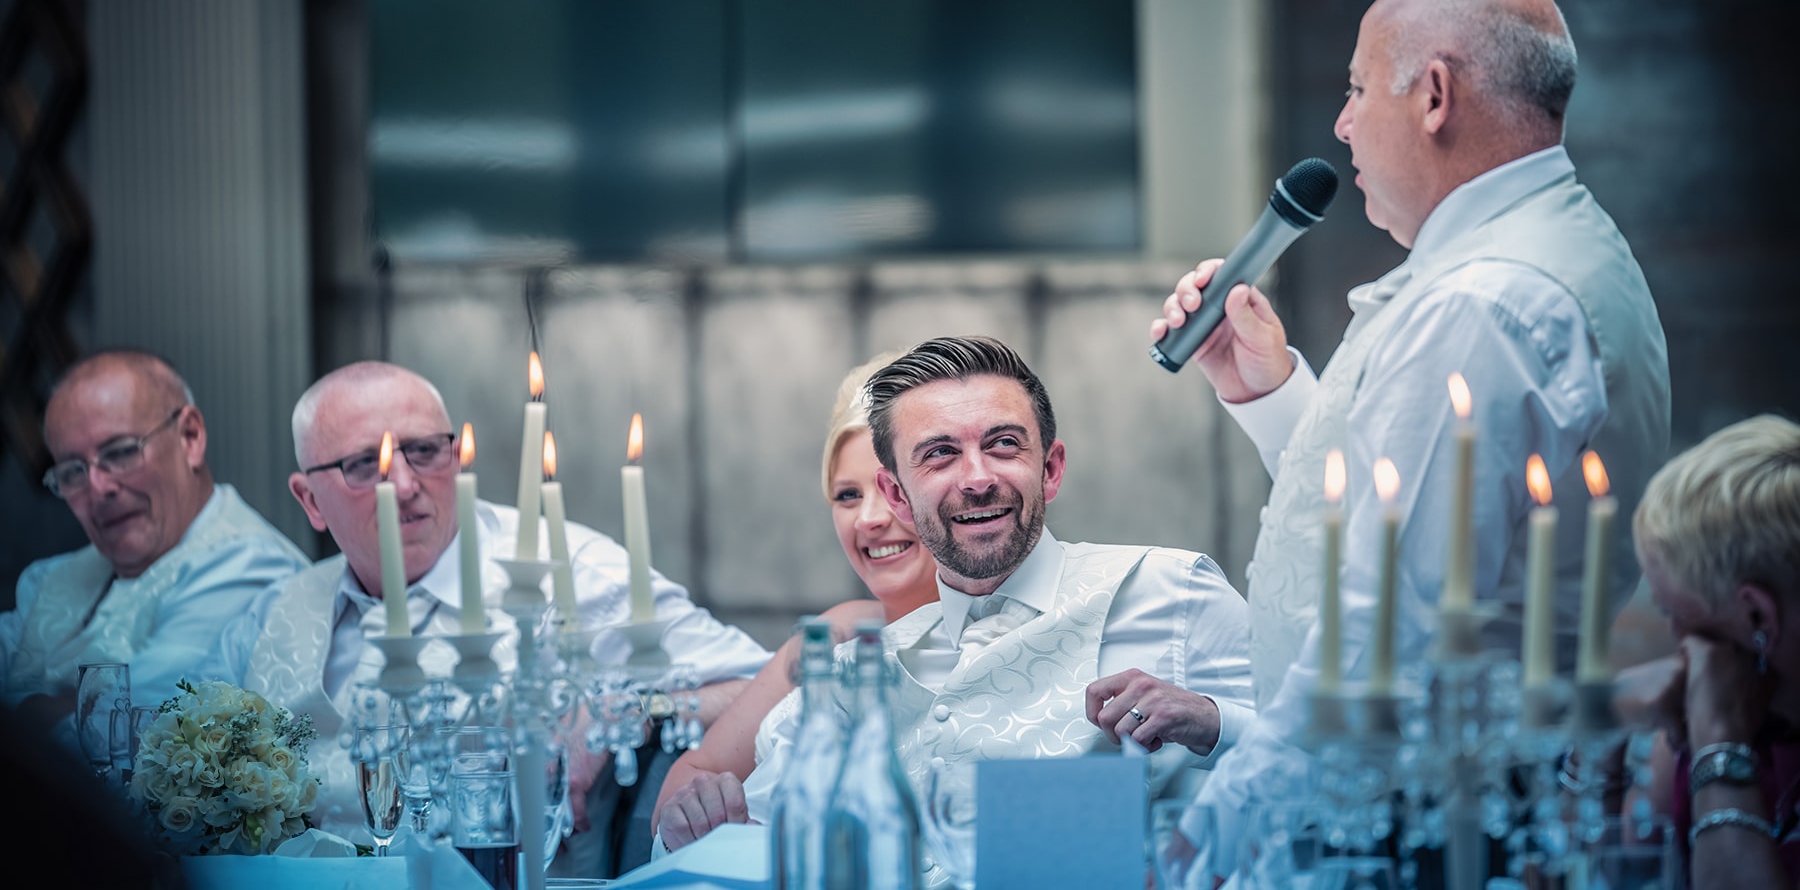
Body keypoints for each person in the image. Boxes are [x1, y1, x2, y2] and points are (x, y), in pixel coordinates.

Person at [1153, 0, 1672, 858]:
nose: (1342, 124)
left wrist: (1208, 838)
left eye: (1357, 89)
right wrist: (1274, 397)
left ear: (1435, 95)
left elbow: (1378, 643)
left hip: (1416, 826)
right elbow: (1418, 511)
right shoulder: (1561, 240)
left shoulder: (1481, 303)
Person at [664, 335, 1258, 850]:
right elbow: (752, 834)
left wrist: (1214, 721)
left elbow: (1329, 768)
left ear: (1050, 469)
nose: (977, 479)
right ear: (897, 495)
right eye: (940, 454)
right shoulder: (852, 674)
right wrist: (699, 826)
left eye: (1003, 444)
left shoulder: (1170, 590)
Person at [208, 361, 770, 865]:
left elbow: (766, 686)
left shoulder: (568, 574)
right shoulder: (271, 615)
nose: (403, 485)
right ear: (309, 500)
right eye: (365, 464)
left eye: (425, 450)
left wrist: (630, 708)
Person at [651, 350, 941, 852]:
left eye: (890, 489)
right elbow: (691, 776)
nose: (868, 518)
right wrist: (695, 816)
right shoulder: (837, 632)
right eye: (847, 496)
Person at [1613, 415, 1800, 888]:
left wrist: (1719, 744)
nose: (1675, 635)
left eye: (1673, 610)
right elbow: (1622, 870)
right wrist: (1603, 732)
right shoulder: (1744, 680)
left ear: (1757, 616)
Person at [0, 350, 306, 725]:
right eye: (72, 471)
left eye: (121, 452)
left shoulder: (247, 565)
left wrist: (28, 711)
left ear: (190, 437)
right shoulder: (53, 577)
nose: (99, 488)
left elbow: (135, 725)